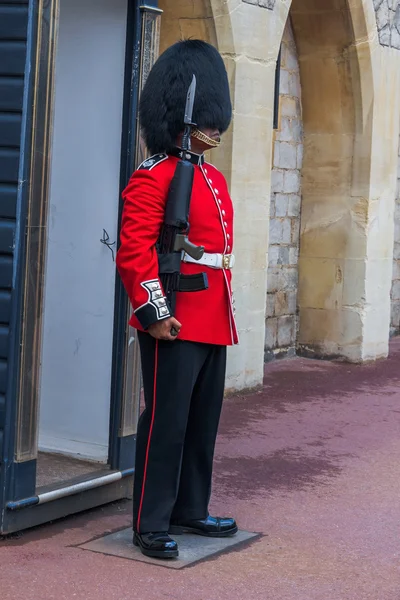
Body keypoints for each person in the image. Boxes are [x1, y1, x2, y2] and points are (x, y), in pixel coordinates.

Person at [116, 39, 239, 560]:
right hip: (176, 317)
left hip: (212, 315)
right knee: (166, 421)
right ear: (183, 121)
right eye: (207, 121)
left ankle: (190, 507)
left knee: (202, 420)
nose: (215, 131)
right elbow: (134, 250)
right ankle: (151, 521)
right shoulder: (156, 174)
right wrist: (155, 313)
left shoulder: (212, 177)